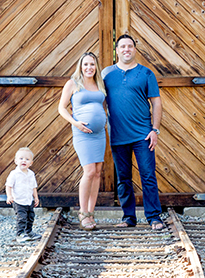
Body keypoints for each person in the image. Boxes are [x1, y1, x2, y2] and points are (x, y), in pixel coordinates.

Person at [102, 34, 164, 230]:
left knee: (148, 175)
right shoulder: (106, 74)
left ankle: (154, 217)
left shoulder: (146, 73)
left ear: (135, 49)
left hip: (143, 135)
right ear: (117, 51)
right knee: (123, 179)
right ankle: (128, 217)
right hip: (117, 135)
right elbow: (98, 99)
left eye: (130, 46)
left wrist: (155, 130)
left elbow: (156, 102)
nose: (126, 49)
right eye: (122, 46)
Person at [58, 52, 107, 230]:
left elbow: (102, 105)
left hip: (99, 134)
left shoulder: (99, 84)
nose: (89, 67)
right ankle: (83, 212)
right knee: (89, 171)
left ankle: (90, 213)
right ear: (80, 66)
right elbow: (61, 108)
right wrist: (76, 123)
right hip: (82, 133)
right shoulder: (73, 83)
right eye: (85, 64)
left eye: (92, 64)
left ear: (96, 67)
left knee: (97, 172)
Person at [6, 147, 41, 242]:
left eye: (27, 159)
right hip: (18, 201)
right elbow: (8, 186)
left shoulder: (31, 174)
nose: (24, 161)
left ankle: (29, 232)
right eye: (21, 158)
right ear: (16, 161)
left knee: (30, 217)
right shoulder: (14, 174)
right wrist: (9, 196)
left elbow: (33, 187)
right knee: (21, 218)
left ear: (31, 163)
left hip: (29, 200)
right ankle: (20, 234)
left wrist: (36, 197)